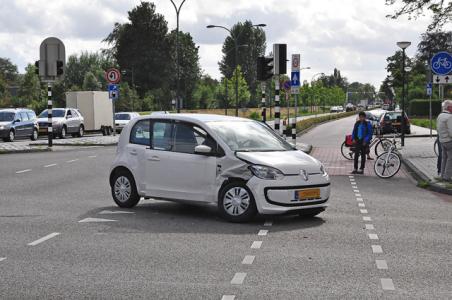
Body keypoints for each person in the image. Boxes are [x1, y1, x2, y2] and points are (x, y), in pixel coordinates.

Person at [437, 100, 452, 181]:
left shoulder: (440, 115)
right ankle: (447, 177)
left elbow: (438, 128)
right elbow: (451, 132)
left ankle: (442, 175)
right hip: (449, 141)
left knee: (444, 158)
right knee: (450, 159)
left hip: (442, 140)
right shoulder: (449, 117)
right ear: (449, 107)